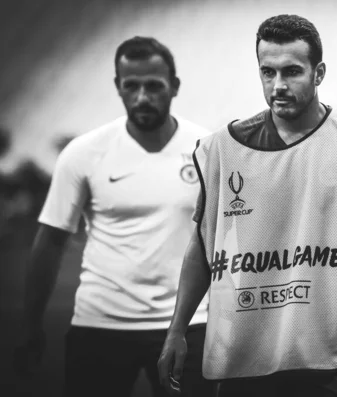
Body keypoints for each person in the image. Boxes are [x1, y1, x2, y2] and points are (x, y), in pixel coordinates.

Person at [158, 14, 337, 397]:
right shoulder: (224, 149)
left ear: (319, 73)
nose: (278, 85)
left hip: (332, 357)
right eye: (268, 72)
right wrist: (176, 331)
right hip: (244, 353)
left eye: (292, 71)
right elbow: (202, 245)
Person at [14, 36, 213, 397]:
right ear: (117, 88)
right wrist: (30, 326)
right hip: (99, 323)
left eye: (153, 86)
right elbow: (51, 239)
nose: (141, 97)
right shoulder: (83, 153)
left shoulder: (207, 149)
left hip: (189, 324)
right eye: (130, 86)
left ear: (175, 87)